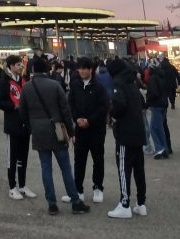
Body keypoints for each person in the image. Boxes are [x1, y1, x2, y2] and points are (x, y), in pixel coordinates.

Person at [21, 55, 89, 216]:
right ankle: (75, 201)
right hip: (56, 129)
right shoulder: (55, 85)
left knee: (46, 168)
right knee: (65, 167)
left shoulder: (27, 88)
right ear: (46, 69)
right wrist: (71, 132)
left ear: (32, 70)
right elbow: (65, 110)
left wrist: (32, 126)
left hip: (38, 131)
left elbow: (22, 112)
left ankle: (52, 204)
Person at [106, 58, 147, 219]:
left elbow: (119, 105)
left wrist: (112, 113)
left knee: (124, 169)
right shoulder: (132, 83)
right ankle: (141, 203)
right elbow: (142, 103)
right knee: (139, 170)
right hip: (138, 132)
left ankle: (124, 204)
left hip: (125, 133)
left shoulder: (118, 84)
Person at [66, 56, 108, 204]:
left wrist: (89, 120)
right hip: (80, 129)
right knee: (79, 160)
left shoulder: (99, 87)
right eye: (80, 68)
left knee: (98, 159)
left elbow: (103, 108)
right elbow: (70, 104)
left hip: (96, 129)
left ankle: (98, 188)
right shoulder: (75, 85)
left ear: (91, 69)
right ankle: (78, 190)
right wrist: (76, 118)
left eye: (85, 68)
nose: (82, 71)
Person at [0, 54, 36, 200]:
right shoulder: (4, 81)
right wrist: (13, 106)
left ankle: (23, 185)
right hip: (12, 125)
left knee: (23, 157)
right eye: (18, 64)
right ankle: (12, 187)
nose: (21, 66)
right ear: (10, 66)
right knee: (12, 158)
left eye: (21, 64)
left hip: (25, 125)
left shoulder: (24, 80)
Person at [144, 61, 170, 159]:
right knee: (159, 128)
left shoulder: (153, 79)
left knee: (153, 128)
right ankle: (164, 149)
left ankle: (160, 149)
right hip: (163, 105)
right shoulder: (161, 76)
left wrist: (147, 102)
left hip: (157, 105)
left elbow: (154, 93)